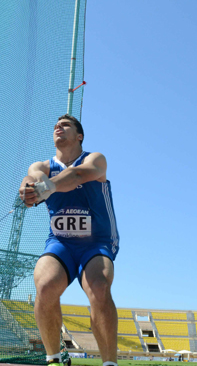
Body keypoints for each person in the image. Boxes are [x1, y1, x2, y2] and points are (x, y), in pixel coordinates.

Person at [19, 114, 120, 366]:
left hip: (96, 242)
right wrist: (27, 190)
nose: (58, 128)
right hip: (61, 242)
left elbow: (75, 176)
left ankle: (110, 363)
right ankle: (54, 359)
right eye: (55, 126)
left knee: (98, 286)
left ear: (79, 136)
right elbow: (32, 178)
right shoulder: (41, 166)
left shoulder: (95, 159)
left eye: (65, 125)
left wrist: (47, 188)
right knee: (44, 285)